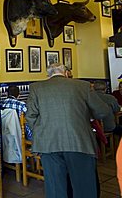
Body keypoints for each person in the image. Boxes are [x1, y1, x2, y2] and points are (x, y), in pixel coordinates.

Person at [26, 63, 112, 198]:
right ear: (66, 73)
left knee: (55, 189)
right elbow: (103, 111)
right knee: (84, 187)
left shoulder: (36, 87)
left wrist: (42, 133)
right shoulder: (83, 86)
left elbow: (30, 117)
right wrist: (86, 114)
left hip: (48, 145)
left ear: (48, 75)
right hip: (79, 141)